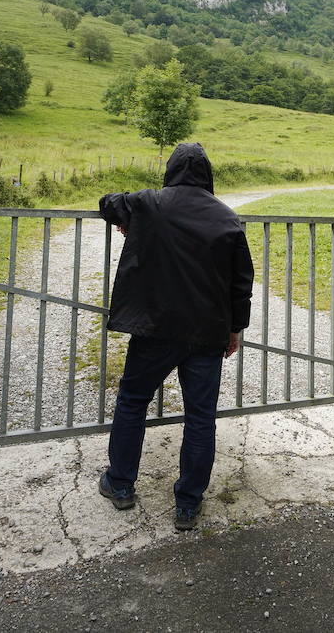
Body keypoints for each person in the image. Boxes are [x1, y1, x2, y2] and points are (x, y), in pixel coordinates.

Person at [96, 143, 254, 530]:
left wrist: (134, 219)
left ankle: (120, 484)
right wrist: (234, 330)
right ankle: (187, 503)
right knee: (201, 417)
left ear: (170, 170)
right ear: (208, 174)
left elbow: (107, 203)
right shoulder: (228, 218)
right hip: (207, 332)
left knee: (133, 401)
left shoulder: (149, 203)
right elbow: (241, 284)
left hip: (155, 327)